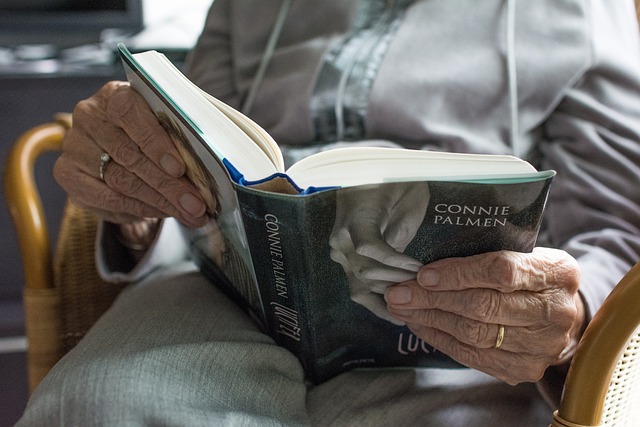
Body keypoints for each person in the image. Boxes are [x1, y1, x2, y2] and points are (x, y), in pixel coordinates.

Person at [18, 0, 640, 425]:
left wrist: (565, 317)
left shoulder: (587, 11)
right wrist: (138, 198)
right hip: (229, 294)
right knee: (101, 404)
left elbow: (614, 231)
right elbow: (193, 152)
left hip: (455, 326)